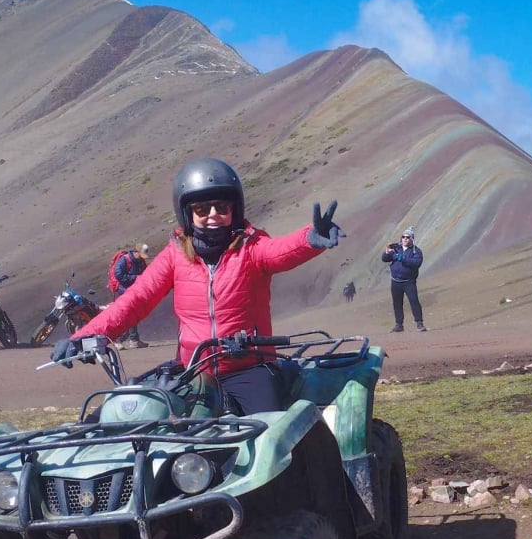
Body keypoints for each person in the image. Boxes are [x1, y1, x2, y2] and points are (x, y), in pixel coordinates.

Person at [53, 157, 342, 415]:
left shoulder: (251, 248)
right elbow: (136, 299)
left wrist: (310, 238)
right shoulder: (175, 255)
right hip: (193, 371)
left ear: (234, 209)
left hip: (248, 368)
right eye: (202, 208)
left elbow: (281, 251)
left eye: (222, 206)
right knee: (137, 421)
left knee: (269, 434)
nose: (213, 213)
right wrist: (85, 336)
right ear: (187, 213)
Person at [381, 227, 426, 332]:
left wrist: (401, 258)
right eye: (403, 237)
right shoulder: (396, 248)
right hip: (395, 281)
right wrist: (387, 252)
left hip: (409, 282)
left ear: (412, 239)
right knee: (397, 304)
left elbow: (416, 263)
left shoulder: (416, 251)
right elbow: (384, 259)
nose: (405, 239)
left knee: (414, 301)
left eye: (408, 237)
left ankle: (419, 323)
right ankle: (399, 325)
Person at [111, 243, 150, 348]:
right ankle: (121, 340)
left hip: (134, 291)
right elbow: (118, 274)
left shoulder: (140, 261)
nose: (142, 258)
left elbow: (145, 274)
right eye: (141, 255)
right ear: (136, 252)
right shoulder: (125, 260)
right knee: (129, 316)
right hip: (124, 291)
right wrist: (135, 278)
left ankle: (133, 340)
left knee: (132, 315)